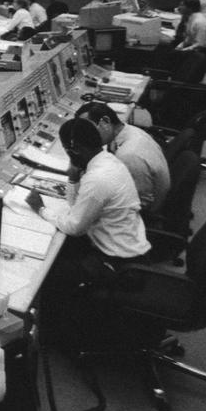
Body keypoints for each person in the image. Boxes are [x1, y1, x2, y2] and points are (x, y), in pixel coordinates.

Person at [27, 118, 150, 343]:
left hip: (117, 261)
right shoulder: (107, 162)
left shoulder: (98, 179)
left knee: (47, 274)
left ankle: (54, 337)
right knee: (59, 250)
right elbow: (77, 210)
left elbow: (75, 226)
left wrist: (41, 209)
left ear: (74, 150)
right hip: (127, 245)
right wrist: (73, 179)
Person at [75, 101, 170, 212]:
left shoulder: (128, 156)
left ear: (106, 122)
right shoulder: (131, 131)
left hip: (143, 214)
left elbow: (138, 205)